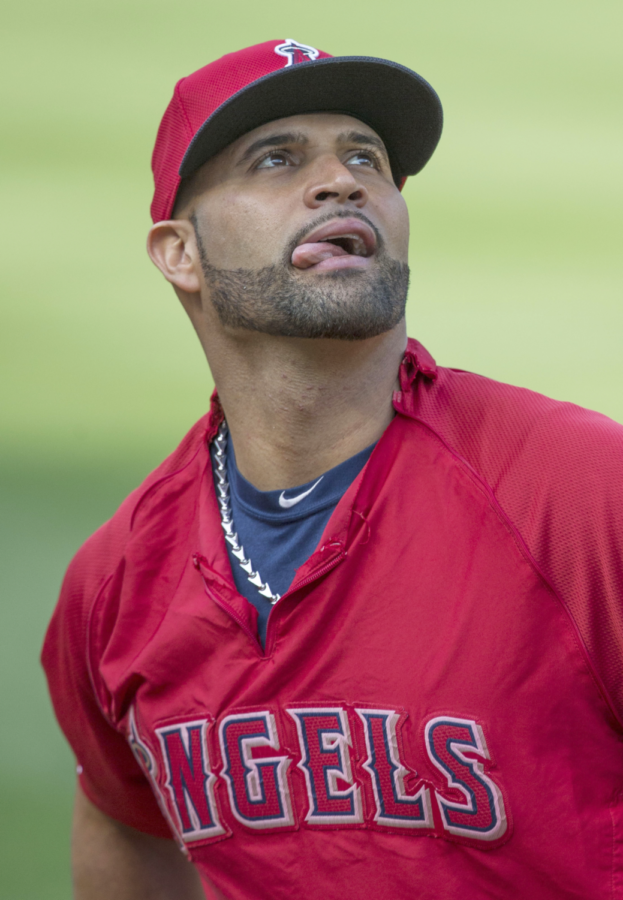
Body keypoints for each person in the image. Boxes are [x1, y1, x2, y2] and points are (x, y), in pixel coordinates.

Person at [42, 39, 623, 900]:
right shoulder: (116, 582)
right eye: (276, 159)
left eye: (365, 157)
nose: (342, 181)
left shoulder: (576, 493)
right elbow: (124, 819)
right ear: (180, 253)